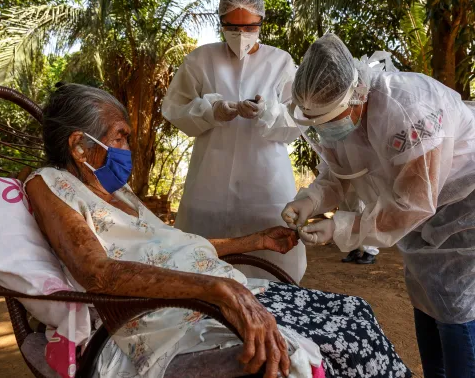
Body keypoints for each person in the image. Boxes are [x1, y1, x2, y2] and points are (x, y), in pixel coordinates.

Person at [25, 83, 411, 378]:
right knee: (325, 344)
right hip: (173, 315)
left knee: (354, 312)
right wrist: (216, 289)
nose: (128, 146)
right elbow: (98, 273)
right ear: (79, 146)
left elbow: (172, 245)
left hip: (217, 290)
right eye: (120, 136)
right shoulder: (49, 184)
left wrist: (255, 241)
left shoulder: (116, 191)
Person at [282, 33, 475, 378]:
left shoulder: (410, 108)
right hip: (421, 213)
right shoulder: (344, 116)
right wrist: (309, 199)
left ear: (356, 94)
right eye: (317, 124)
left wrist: (343, 227)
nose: (326, 131)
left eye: (330, 120)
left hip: (463, 209)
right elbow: (339, 172)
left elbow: (413, 203)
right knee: (428, 298)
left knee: (455, 306)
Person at [162, 0, 306, 282]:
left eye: (250, 27)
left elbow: (297, 122)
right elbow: (175, 109)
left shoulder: (280, 62)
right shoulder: (200, 60)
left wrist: (268, 112)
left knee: (272, 271)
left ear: (262, 22)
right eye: (233, 27)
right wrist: (210, 111)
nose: (241, 35)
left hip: (266, 186)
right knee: (204, 266)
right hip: (209, 184)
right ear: (221, 22)